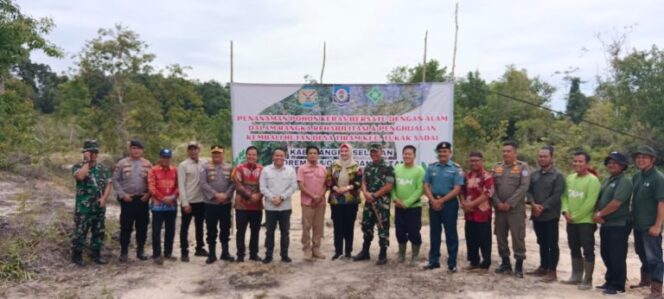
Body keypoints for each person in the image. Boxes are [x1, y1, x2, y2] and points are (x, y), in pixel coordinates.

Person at [560, 151, 601, 290]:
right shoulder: (570, 178)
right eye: (575, 161)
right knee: (574, 248)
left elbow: (590, 203)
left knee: (588, 250)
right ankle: (576, 276)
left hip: (586, 222)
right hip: (570, 221)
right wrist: (565, 212)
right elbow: (564, 196)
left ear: (587, 164)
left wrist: (575, 216)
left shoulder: (593, 181)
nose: (577, 163)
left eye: (580, 161)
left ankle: (587, 280)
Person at [593, 151, 632, 295]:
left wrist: (599, 214)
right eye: (609, 162)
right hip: (606, 223)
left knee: (617, 255)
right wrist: (597, 212)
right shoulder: (608, 180)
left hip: (619, 224)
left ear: (623, 166)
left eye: (615, 162)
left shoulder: (625, 181)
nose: (611, 164)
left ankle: (618, 284)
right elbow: (601, 198)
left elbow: (616, 203)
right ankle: (609, 280)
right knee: (606, 253)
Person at [423, 141, 464, 272]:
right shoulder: (431, 167)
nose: (442, 154)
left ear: (450, 153)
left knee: (450, 233)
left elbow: (457, 189)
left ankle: (452, 263)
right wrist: (433, 200)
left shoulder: (456, 169)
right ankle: (433, 261)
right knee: (434, 232)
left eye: (445, 152)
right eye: (440, 152)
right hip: (434, 202)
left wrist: (442, 201)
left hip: (449, 204)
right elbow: (426, 185)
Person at [526, 146, 564, 282]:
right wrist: (533, 204)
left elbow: (556, 195)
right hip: (537, 215)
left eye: (545, 156)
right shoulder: (534, 174)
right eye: (540, 156)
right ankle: (543, 266)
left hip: (550, 215)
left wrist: (542, 207)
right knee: (541, 242)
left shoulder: (558, 176)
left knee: (552, 243)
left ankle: (552, 271)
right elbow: (528, 191)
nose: (542, 159)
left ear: (551, 158)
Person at [71, 139, 113, 266]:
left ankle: (96, 254)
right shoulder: (78, 167)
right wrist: (86, 161)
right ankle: (77, 255)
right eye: (90, 152)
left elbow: (108, 184)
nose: (93, 154)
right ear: (85, 152)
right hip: (83, 209)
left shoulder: (102, 169)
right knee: (80, 231)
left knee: (98, 231)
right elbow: (80, 177)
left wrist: (104, 198)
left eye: (95, 152)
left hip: (98, 207)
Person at [492, 140, 530, 278]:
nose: (505, 154)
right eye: (504, 151)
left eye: (508, 151)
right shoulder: (496, 167)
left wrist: (509, 203)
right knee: (500, 236)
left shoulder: (522, 167)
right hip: (499, 209)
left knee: (518, 236)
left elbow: (523, 187)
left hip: (515, 210)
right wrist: (497, 202)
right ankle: (505, 263)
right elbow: (492, 187)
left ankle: (519, 265)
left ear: (515, 153)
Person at [630, 146, 664, 299]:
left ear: (653, 160)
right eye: (638, 157)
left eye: (644, 157)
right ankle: (645, 280)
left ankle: (656, 291)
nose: (640, 160)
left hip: (651, 226)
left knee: (654, 258)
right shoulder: (637, 176)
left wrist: (657, 225)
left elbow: (661, 203)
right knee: (641, 253)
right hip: (637, 224)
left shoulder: (658, 178)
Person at [354, 143, 395, 265]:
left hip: (382, 203)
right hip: (369, 202)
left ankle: (383, 253)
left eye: (376, 152)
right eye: (372, 152)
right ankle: (365, 251)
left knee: (383, 227)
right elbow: (364, 181)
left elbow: (389, 186)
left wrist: (375, 195)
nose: (374, 154)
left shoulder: (388, 167)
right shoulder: (368, 166)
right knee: (366, 226)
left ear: (381, 152)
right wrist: (366, 193)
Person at [113, 139, 152, 263]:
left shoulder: (147, 164)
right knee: (126, 227)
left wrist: (149, 194)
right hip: (127, 200)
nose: (136, 150)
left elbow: (152, 181)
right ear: (130, 149)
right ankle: (124, 252)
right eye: (133, 148)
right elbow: (115, 180)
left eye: (138, 148)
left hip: (142, 199)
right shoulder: (122, 163)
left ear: (142, 150)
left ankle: (140, 251)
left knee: (142, 227)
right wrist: (122, 194)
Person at [260, 148, 298, 264]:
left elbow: (293, 187)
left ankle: (284, 255)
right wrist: (272, 198)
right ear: (273, 156)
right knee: (269, 232)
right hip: (271, 207)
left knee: (285, 232)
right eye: (277, 155)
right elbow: (263, 187)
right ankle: (268, 255)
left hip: (285, 206)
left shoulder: (290, 170)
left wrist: (281, 197)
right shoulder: (266, 170)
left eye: (281, 155)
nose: (279, 157)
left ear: (285, 157)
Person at [200, 145, 235, 264]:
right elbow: (203, 183)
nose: (217, 156)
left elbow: (233, 183)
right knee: (211, 229)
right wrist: (215, 195)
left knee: (225, 228)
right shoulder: (205, 167)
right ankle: (212, 253)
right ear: (211, 154)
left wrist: (226, 195)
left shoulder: (229, 167)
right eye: (214, 154)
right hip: (211, 203)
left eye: (219, 153)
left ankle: (225, 253)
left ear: (223, 154)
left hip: (225, 203)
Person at [326, 143, 362, 260]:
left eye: (346, 151)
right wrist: (337, 189)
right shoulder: (334, 165)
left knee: (349, 226)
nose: (344, 153)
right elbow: (329, 180)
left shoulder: (356, 166)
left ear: (350, 152)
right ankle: (338, 251)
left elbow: (358, 182)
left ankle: (348, 252)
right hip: (336, 200)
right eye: (342, 151)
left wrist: (346, 188)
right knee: (338, 226)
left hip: (351, 200)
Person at [460, 151, 494, 272]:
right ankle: (474, 261)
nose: (473, 163)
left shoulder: (487, 176)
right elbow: (462, 191)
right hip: (469, 213)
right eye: (471, 160)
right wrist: (464, 203)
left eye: (476, 160)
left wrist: (471, 204)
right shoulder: (467, 176)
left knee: (484, 239)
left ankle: (485, 264)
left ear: (482, 161)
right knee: (471, 237)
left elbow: (487, 194)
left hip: (482, 213)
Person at [392, 145, 425, 266]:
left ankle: (415, 256)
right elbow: (392, 187)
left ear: (414, 156)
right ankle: (401, 254)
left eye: (409, 154)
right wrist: (395, 199)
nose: (407, 156)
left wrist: (407, 203)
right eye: (405, 154)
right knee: (399, 231)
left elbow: (420, 190)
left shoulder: (419, 170)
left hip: (414, 208)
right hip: (399, 207)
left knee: (414, 232)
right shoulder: (397, 169)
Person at [233, 145, 264, 262]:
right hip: (241, 206)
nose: (251, 156)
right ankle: (240, 254)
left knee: (255, 231)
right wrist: (251, 195)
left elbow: (265, 186)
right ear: (246, 155)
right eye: (249, 154)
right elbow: (238, 185)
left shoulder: (262, 169)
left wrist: (260, 195)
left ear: (257, 156)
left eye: (254, 154)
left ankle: (253, 254)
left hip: (257, 206)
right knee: (240, 231)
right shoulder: (239, 168)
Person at [147, 148, 179, 265]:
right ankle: (156, 254)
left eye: (168, 157)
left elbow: (179, 186)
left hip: (172, 205)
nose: (166, 160)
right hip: (157, 206)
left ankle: (168, 253)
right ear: (160, 158)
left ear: (170, 158)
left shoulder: (175, 170)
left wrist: (172, 197)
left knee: (170, 230)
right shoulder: (153, 170)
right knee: (156, 230)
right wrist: (163, 198)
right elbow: (151, 187)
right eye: (163, 157)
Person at [297, 145, 328, 260]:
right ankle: (307, 249)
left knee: (318, 226)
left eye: (315, 153)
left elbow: (326, 185)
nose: (312, 155)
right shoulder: (302, 169)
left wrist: (319, 196)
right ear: (307, 155)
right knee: (306, 226)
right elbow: (301, 185)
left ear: (318, 155)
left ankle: (316, 249)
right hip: (307, 202)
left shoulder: (323, 168)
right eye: (310, 153)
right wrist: (312, 196)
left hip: (320, 202)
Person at [178, 141, 207, 262]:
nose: (193, 151)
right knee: (185, 227)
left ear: (198, 150)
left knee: (200, 226)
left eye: (195, 149)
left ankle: (199, 248)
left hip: (201, 200)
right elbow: (181, 185)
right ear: (188, 151)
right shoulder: (183, 165)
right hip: (189, 201)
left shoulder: (204, 163)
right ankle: (184, 252)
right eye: (191, 149)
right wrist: (185, 203)